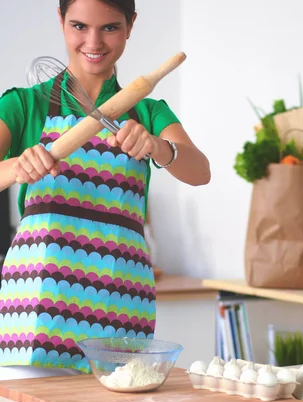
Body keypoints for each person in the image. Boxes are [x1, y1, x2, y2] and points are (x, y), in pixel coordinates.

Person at [0, 0, 210, 378]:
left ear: (130, 25)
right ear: (61, 21)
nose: (93, 41)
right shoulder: (24, 105)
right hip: (39, 302)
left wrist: (157, 147)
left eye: (110, 27)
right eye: (79, 26)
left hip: (121, 300)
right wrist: (17, 165)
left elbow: (200, 171)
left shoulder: (147, 113)